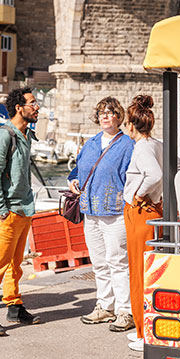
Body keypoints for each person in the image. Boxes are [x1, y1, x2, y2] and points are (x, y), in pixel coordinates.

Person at [0, 87, 42, 336]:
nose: (37, 107)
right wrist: (0, 209)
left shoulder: (26, 135)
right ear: (19, 108)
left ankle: (14, 305)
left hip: (23, 208)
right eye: (32, 103)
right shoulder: (4, 136)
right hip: (7, 211)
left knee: (15, 264)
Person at [69, 96, 135, 332]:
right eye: (102, 113)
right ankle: (105, 305)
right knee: (99, 262)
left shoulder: (127, 145)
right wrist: (73, 180)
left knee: (118, 262)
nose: (106, 117)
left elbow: (132, 176)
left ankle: (125, 310)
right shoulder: (91, 143)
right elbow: (78, 169)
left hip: (115, 212)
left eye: (110, 112)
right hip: (91, 210)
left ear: (119, 117)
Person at [122, 95, 180, 352]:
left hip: (140, 212)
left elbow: (154, 174)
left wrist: (140, 193)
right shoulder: (159, 144)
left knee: (139, 270)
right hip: (156, 210)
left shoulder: (142, 147)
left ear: (131, 125)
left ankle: (143, 331)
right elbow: (178, 166)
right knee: (153, 268)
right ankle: (148, 326)